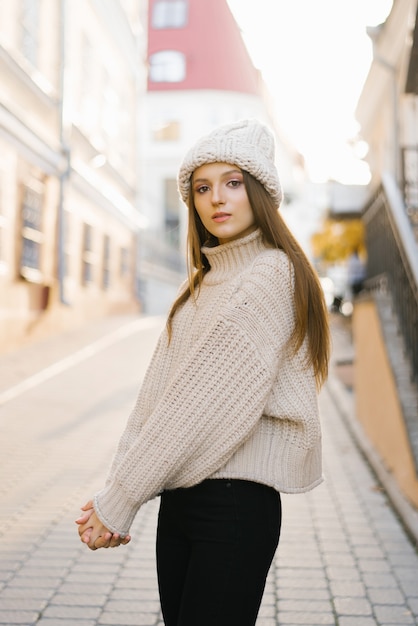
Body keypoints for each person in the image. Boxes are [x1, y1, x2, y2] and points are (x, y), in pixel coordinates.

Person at [76, 119, 330, 626]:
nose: (217, 198)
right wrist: (116, 491)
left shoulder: (270, 275)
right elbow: (155, 402)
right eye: (202, 187)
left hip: (234, 507)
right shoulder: (200, 287)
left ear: (260, 193)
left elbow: (198, 407)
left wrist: (121, 499)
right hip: (181, 502)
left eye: (233, 183)